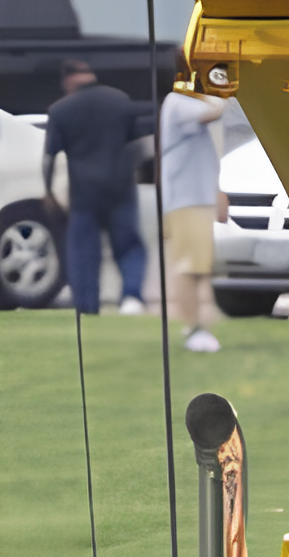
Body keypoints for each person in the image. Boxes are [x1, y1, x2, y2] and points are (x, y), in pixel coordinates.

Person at [44, 60, 147, 318]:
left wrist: (48, 191)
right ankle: (131, 297)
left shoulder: (60, 110)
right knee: (129, 245)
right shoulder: (120, 100)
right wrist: (138, 172)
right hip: (121, 187)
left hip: (84, 192)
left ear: (68, 81)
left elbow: (49, 157)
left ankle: (87, 306)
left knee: (83, 253)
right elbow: (137, 144)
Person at [159, 82, 224, 354]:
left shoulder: (186, 102)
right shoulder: (179, 101)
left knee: (198, 267)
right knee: (189, 267)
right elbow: (216, 110)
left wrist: (218, 193)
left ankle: (193, 325)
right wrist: (218, 89)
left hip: (196, 197)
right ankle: (193, 330)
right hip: (186, 198)